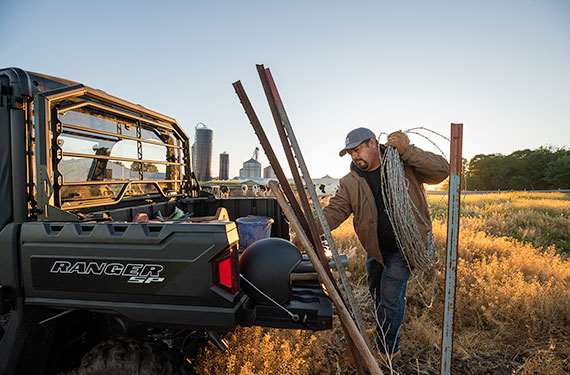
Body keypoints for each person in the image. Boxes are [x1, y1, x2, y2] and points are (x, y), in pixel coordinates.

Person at [322, 127, 449, 362]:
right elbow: (335, 211)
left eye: (357, 150)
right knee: (377, 291)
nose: (354, 156)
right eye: (350, 153)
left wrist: (408, 150)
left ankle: (388, 349)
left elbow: (442, 170)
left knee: (390, 296)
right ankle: (383, 327)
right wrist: (309, 231)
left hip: (407, 246)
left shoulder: (402, 163)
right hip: (377, 250)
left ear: (372, 143)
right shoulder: (351, 181)